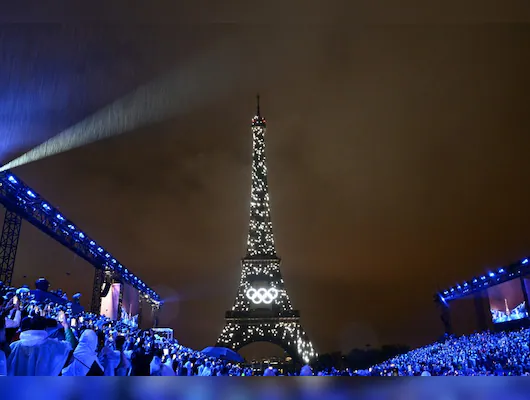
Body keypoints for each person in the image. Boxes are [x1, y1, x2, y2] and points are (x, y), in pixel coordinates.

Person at [7, 316, 72, 376]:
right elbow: (71, 346)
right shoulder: (54, 345)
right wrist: (66, 327)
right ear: (45, 328)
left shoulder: (13, 346)